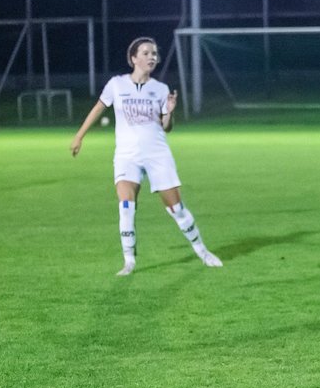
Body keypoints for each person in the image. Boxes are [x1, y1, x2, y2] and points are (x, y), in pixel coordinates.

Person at [70, 36, 222, 276]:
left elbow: (166, 127)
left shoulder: (160, 89)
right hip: (126, 155)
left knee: (176, 209)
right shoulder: (116, 85)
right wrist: (79, 136)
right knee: (126, 206)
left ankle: (202, 251)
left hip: (157, 154)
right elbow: (98, 108)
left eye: (154, 53)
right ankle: (129, 261)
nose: (152, 57)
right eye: (146, 53)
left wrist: (170, 113)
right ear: (133, 58)